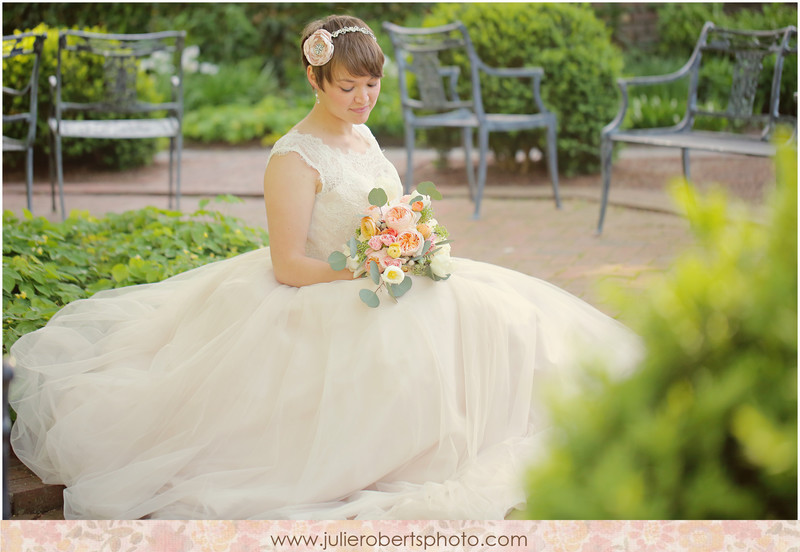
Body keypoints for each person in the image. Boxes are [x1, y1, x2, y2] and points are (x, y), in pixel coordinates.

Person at [8, 15, 642, 520]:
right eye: (348, 87)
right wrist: (369, 267)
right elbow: (288, 265)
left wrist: (408, 242)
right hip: (322, 288)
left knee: (500, 308)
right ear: (316, 80)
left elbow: (387, 209)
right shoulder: (293, 158)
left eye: (371, 85)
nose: (363, 99)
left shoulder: (362, 135)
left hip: (386, 273)